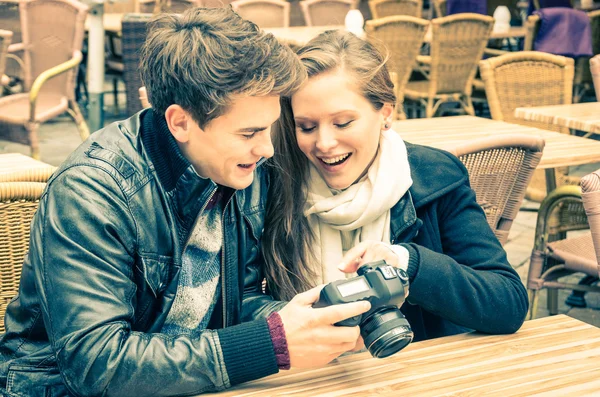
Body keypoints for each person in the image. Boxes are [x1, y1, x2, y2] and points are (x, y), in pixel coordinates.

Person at [0, 9, 371, 396]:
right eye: (250, 132)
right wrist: (270, 345)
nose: (267, 148)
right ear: (180, 123)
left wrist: (307, 324)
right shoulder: (92, 192)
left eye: (270, 126)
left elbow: (238, 300)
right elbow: (96, 365)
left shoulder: (236, 167)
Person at [262, 30, 529, 343]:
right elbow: (241, 302)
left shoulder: (436, 177)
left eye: (343, 122)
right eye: (306, 127)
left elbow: (507, 303)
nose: (324, 143)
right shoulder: (273, 181)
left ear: (385, 113)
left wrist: (408, 263)